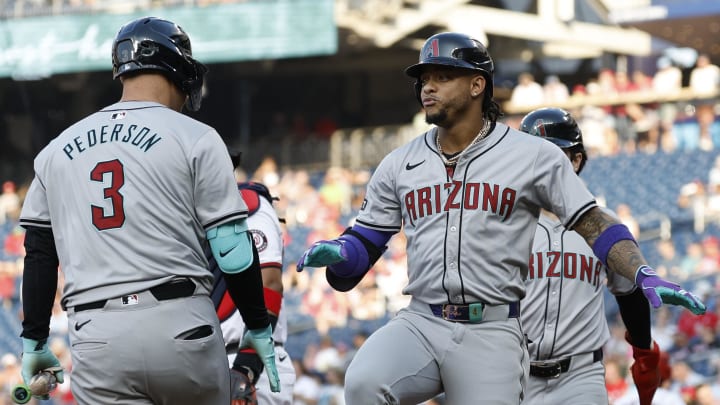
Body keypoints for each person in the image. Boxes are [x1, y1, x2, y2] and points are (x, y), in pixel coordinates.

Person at [295, 31, 706, 405]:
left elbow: (593, 222)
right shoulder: (398, 163)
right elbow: (364, 245)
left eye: (442, 75)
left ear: (477, 85)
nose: (428, 86)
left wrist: (641, 271)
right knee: (364, 381)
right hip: (421, 319)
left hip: (491, 330)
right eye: (424, 78)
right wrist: (341, 251)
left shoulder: (532, 155)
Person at [16, 16, 278, 404]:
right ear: (177, 69)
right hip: (182, 329)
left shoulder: (55, 150)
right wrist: (257, 323)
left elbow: (39, 256)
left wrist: (34, 339)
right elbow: (232, 249)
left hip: (98, 339)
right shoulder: (197, 136)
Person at [518, 107, 660, 405]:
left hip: (579, 376)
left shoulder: (605, 225)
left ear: (576, 160)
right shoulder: (504, 222)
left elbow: (629, 293)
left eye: (553, 157)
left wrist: (644, 349)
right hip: (514, 372)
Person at [211, 152, 295, 404]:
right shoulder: (184, 216)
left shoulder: (247, 204)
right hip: (206, 364)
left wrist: (246, 367)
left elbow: (268, 283)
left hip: (250, 362)